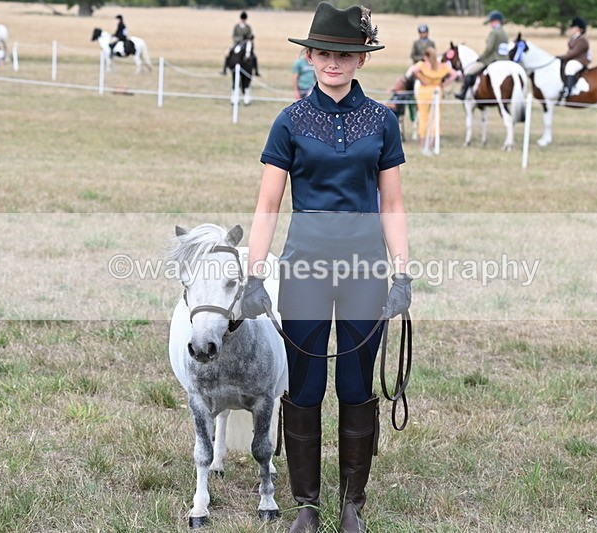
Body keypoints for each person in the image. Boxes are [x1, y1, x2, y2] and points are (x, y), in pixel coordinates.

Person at [242, 4, 411, 533]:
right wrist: (254, 274)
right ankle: (307, 506)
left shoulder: (382, 121)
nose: (332, 62)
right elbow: (268, 204)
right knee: (306, 386)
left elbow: (392, 204)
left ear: (361, 59)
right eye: (322, 53)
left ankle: (352, 504)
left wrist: (402, 273)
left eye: (343, 54)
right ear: (310, 58)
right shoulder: (289, 121)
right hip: (304, 272)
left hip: (365, 271)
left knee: (356, 387)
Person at [409, 45, 459, 154]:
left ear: (426, 56)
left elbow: (413, 71)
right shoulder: (442, 66)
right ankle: (433, 142)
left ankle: (423, 143)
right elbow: (455, 74)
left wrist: (421, 79)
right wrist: (444, 84)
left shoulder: (422, 65)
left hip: (424, 91)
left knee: (423, 117)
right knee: (436, 117)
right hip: (437, 90)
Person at [456, 9, 509, 100]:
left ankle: (463, 93)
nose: (490, 24)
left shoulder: (494, 32)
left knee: (470, 72)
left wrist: (481, 58)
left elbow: (489, 49)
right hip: (505, 59)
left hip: (493, 59)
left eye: (491, 22)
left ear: (496, 21)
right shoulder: (504, 32)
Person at [558, 17, 591, 100]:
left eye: (574, 27)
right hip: (574, 59)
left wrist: (561, 57)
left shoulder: (582, 40)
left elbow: (574, 53)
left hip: (580, 60)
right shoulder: (574, 37)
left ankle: (568, 89)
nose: (571, 29)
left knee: (570, 66)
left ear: (579, 29)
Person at [221, 11, 255, 75]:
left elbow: (249, 35)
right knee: (227, 53)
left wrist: (249, 38)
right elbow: (234, 36)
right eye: (242, 19)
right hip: (237, 43)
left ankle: (256, 70)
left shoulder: (248, 27)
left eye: (244, 19)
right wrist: (240, 38)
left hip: (245, 43)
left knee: (253, 55)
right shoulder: (236, 27)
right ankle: (224, 69)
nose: (243, 20)